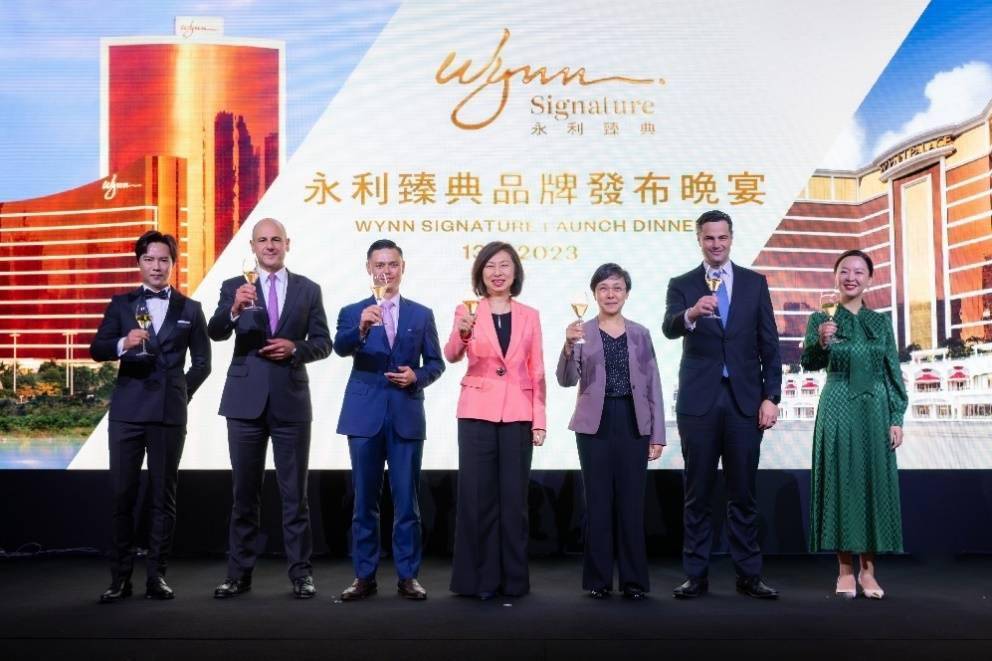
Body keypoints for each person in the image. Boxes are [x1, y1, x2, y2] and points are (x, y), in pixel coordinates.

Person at [207, 217, 332, 599]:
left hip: (290, 401)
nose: (270, 246)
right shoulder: (235, 286)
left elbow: (323, 342)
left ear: (287, 243)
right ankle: (238, 575)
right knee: (244, 495)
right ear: (253, 246)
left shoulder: (308, 289)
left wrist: (296, 348)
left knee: (295, 496)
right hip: (244, 402)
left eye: (276, 239)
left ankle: (301, 574)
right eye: (263, 240)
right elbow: (215, 331)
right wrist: (233, 308)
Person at [662, 209, 782, 599]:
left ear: (731, 238)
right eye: (709, 238)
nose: (716, 244)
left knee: (743, 493)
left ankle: (749, 575)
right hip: (699, 401)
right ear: (699, 240)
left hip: (745, 401)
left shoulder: (754, 283)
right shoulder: (682, 284)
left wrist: (771, 396)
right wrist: (691, 314)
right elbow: (668, 327)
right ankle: (696, 575)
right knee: (697, 493)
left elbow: (769, 345)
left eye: (722, 237)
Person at [89, 231, 211, 603]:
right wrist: (122, 343)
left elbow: (203, 364)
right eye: (149, 259)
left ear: (173, 264)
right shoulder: (121, 304)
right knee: (122, 495)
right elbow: (97, 349)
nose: (156, 267)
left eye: (163, 260)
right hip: (127, 413)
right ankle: (119, 579)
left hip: (168, 415)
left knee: (163, 497)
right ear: (139, 262)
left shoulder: (191, 309)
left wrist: (179, 393)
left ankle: (157, 577)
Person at [333, 239, 445, 601]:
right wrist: (361, 328)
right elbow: (340, 347)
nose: (386, 271)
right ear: (369, 269)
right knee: (364, 501)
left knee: (406, 502)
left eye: (392, 264)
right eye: (379, 265)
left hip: (405, 414)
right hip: (364, 417)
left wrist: (417, 376)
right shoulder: (353, 311)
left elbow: (436, 363)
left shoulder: (421, 314)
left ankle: (408, 576)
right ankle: (364, 576)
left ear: (402, 267)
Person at [800, 249, 907, 599]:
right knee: (841, 482)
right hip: (837, 405)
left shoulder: (881, 322)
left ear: (869, 279)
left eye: (859, 272)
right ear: (835, 277)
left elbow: (892, 371)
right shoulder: (821, 319)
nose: (851, 277)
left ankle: (869, 572)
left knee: (872, 482)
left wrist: (896, 417)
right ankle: (845, 570)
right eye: (844, 271)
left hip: (875, 409)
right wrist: (821, 341)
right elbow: (809, 363)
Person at [556, 263, 665, 600]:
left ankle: (634, 581)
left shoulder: (640, 333)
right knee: (598, 503)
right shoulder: (581, 332)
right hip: (594, 425)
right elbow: (566, 380)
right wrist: (567, 345)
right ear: (594, 294)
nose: (611, 294)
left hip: (633, 421)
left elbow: (653, 385)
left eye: (617, 288)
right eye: (603, 288)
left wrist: (657, 434)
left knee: (631, 504)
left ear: (627, 294)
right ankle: (598, 580)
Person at [445, 241, 546, 599]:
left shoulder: (530, 315)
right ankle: (478, 581)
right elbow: (451, 355)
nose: (498, 272)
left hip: (518, 413)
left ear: (515, 271)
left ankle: (514, 581)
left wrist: (539, 420)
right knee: (477, 499)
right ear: (480, 272)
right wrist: (463, 332)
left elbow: (537, 371)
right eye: (490, 266)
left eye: (504, 265)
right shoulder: (467, 309)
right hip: (476, 412)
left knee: (514, 501)